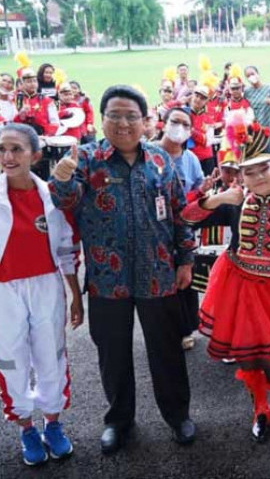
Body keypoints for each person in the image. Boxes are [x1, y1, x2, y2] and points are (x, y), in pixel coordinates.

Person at [49, 85, 197, 454]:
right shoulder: (85, 158)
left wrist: (186, 259)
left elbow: (180, 213)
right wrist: (62, 176)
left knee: (166, 350)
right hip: (107, 278)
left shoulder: (161, 160)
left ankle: (178, 416)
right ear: (103, 119)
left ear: (146, 121)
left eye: (131, 115)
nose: (123, 123)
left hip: (158, 273)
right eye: (114, 115)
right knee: (112, 354)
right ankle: (118, 421)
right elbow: (64, 200)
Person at [181, 123, 270, 443]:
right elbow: (187, 217)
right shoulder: (234, 204)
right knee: (246, 357)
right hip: (236, 290)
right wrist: (216, 199)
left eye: (264, 169)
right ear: (241, 176)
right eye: (250, 172)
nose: (258, 177)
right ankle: (259, 407)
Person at [0, 124, 82, 466]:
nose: (8, 157)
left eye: (17, 149)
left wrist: (75, 294)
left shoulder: (52, 197)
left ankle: (52, 424)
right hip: (5, 292)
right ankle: (26, 428)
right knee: (10, 358)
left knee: (51, 354)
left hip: (47, 285)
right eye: (2, 149)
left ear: (35, 156)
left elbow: (66, 249)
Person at [159, 107, 205, 351]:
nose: (180, 128)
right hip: (155, 232)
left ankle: (186, 329)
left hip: (182, 230)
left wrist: (204, 191)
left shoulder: (190, 159)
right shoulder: (150, 154)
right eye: (175, 122)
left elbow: (196, 193)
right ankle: (163, 330)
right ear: (163, 123)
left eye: (186, 125)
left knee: (184, 278)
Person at [244, 66, 270, 157]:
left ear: (257, 74)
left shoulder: (269, 89)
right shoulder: (247, 92)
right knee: (260, 152)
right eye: (248, 76)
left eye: (253, 74)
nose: (251, 77)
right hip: (257, 128)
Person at [189, 85, 219, 175]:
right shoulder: (184, 114)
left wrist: (192, 132)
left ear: (206, 101)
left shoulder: (208, 118)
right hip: (190, 158)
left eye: (202, 98)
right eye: (196, 96)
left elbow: (208, 141)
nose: (198, 99)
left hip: (206, 159)